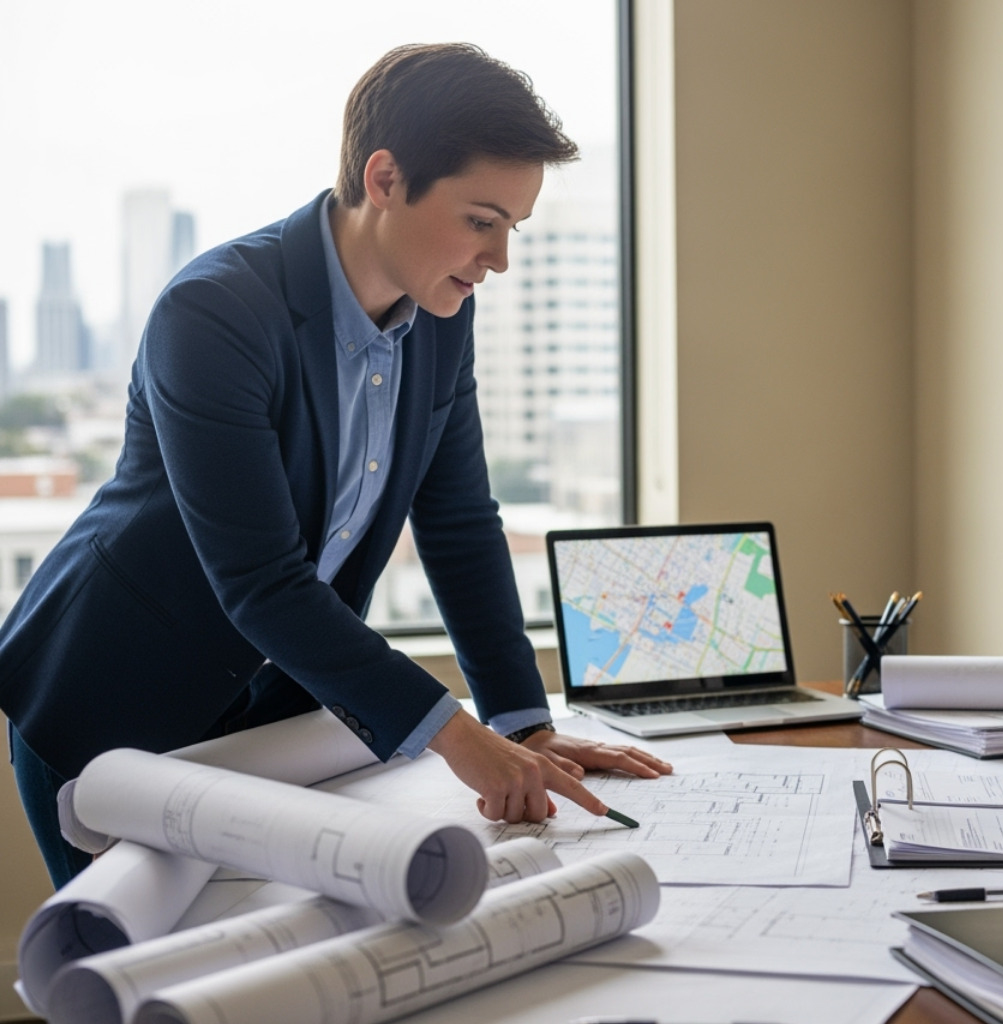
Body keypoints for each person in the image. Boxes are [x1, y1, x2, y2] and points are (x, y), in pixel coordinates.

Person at [0, 43, 669, 889]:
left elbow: (460, 523)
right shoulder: (212, 312)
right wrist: (460, 739)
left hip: (277, 720)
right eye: (481, 220)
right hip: (119, 700)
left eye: (513, 229)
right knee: (127, 978)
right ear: (384, 178)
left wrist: (521, 722)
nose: (500, 260)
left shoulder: (440, 317)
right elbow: (262, 582)